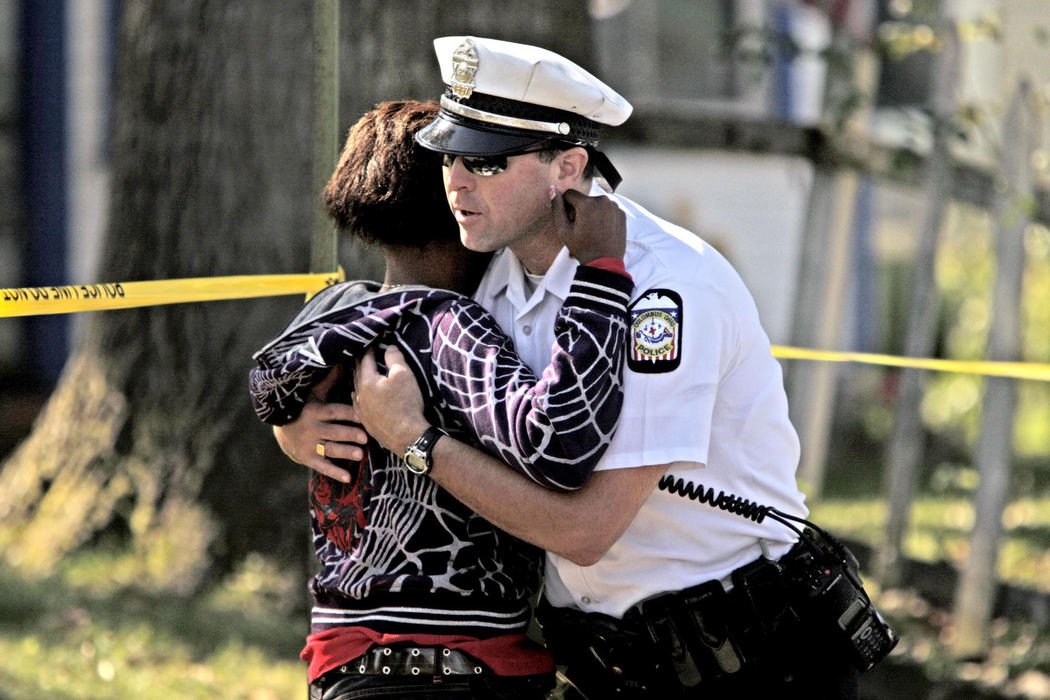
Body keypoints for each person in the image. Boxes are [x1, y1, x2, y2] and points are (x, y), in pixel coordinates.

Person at [283, 37, 890, 698]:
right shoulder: (490, 282)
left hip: (754, 664)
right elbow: (380, 346)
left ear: (567, 166)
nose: (457, 181)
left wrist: (418, 444)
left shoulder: (665, 289)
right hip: (609, 666)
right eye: (450, 155)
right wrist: (299, 423)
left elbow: (585, 531)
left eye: (487, 162)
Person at [250, 99, 634, 699]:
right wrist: (603, 275)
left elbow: (266, 387)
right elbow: (558, 441)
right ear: (457, 211)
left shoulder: (336, 312)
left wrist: (291, 429)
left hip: (341, 670)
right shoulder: (446, 326)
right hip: (450, 673)